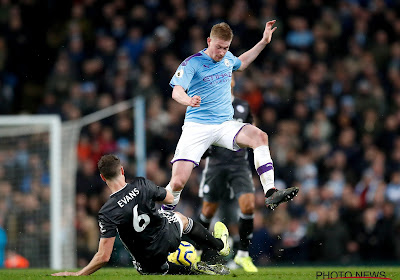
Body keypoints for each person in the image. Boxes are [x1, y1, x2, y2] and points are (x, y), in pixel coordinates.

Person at [162, 21, 298, 213]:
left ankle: (270, 192)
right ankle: (164, 214)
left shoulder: (227, 59)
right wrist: (188, 100)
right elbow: (176, 91)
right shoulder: (192, 63)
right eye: (218, 47)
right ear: (209, 41)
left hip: (224, 125)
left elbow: (241, 63)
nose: (222, 52)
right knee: (177, 183)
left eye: (226, 48)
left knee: (260, 137)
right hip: (197, 127)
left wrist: (263, 42)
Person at [52, 154, 231, 276]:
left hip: (147, 260)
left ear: (103, 178)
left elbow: (104, 256)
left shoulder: (107, 212)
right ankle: (219, 245)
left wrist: (78, 273)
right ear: (122, 170)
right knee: (180, 219)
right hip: (167, 236)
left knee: (156, 269)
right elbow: (169, 199)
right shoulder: (141, 184)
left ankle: (195, 271)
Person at [197, 75, 258, 272]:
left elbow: (251, 131)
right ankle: (196, 252)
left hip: (239, 164)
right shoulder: (210, 106)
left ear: (232, 82)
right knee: (208, 211)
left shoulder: (243, 106)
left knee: (248, 205)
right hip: (216, 164)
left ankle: (243, 254)